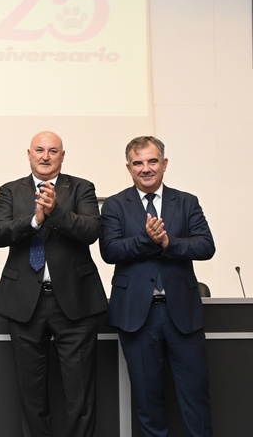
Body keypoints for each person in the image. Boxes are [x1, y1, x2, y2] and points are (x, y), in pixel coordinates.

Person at [0, 131, 108, 437]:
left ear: (62, 156)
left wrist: (55, 213)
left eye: (53, 151)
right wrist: (35, 220)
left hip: (75, 303)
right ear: (29, 154)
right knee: (32, 395)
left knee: (79, 395)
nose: (45, 156)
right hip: (25, 303)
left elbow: (91, 230)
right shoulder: (10, 191)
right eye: (39, 150)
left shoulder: (81, 188)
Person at [100, 136, 214, 436]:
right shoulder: (114, 205)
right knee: (148, 402)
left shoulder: (186, 202)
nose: (146, 168)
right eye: (138, 163)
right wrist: (146, 240)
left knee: (195, 399)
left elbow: (205, 246)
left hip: (182, 315)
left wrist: (167, 242)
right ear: (128, 167)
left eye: (152, 161)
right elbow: (110, 251)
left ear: (164, 164)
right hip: (137, 316)